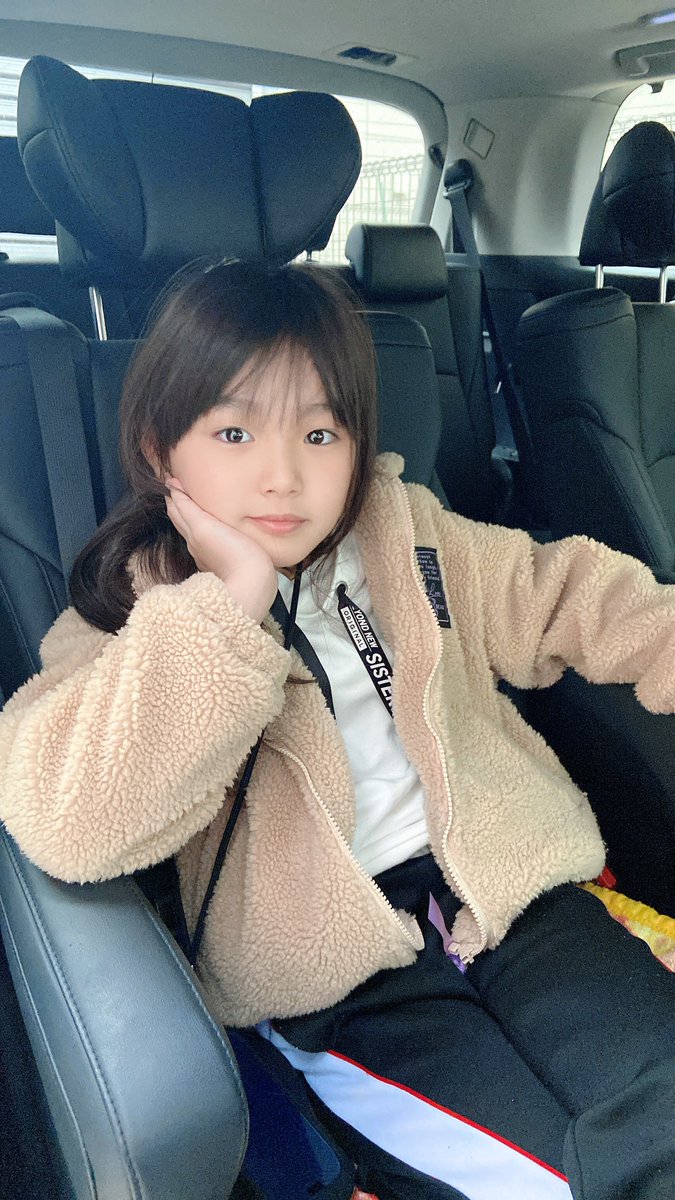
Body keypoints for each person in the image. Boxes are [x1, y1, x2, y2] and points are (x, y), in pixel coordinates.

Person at [0, 258, 674, 1200]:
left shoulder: (412, 537)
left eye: (319, 433)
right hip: (336, 974)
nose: (283, 475)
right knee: (543, 1183)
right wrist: (229, 608)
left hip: (512, 895)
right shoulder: (130, 612)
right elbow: (67, 819)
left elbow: (567, 591)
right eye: (234, 431)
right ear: (160, 451)